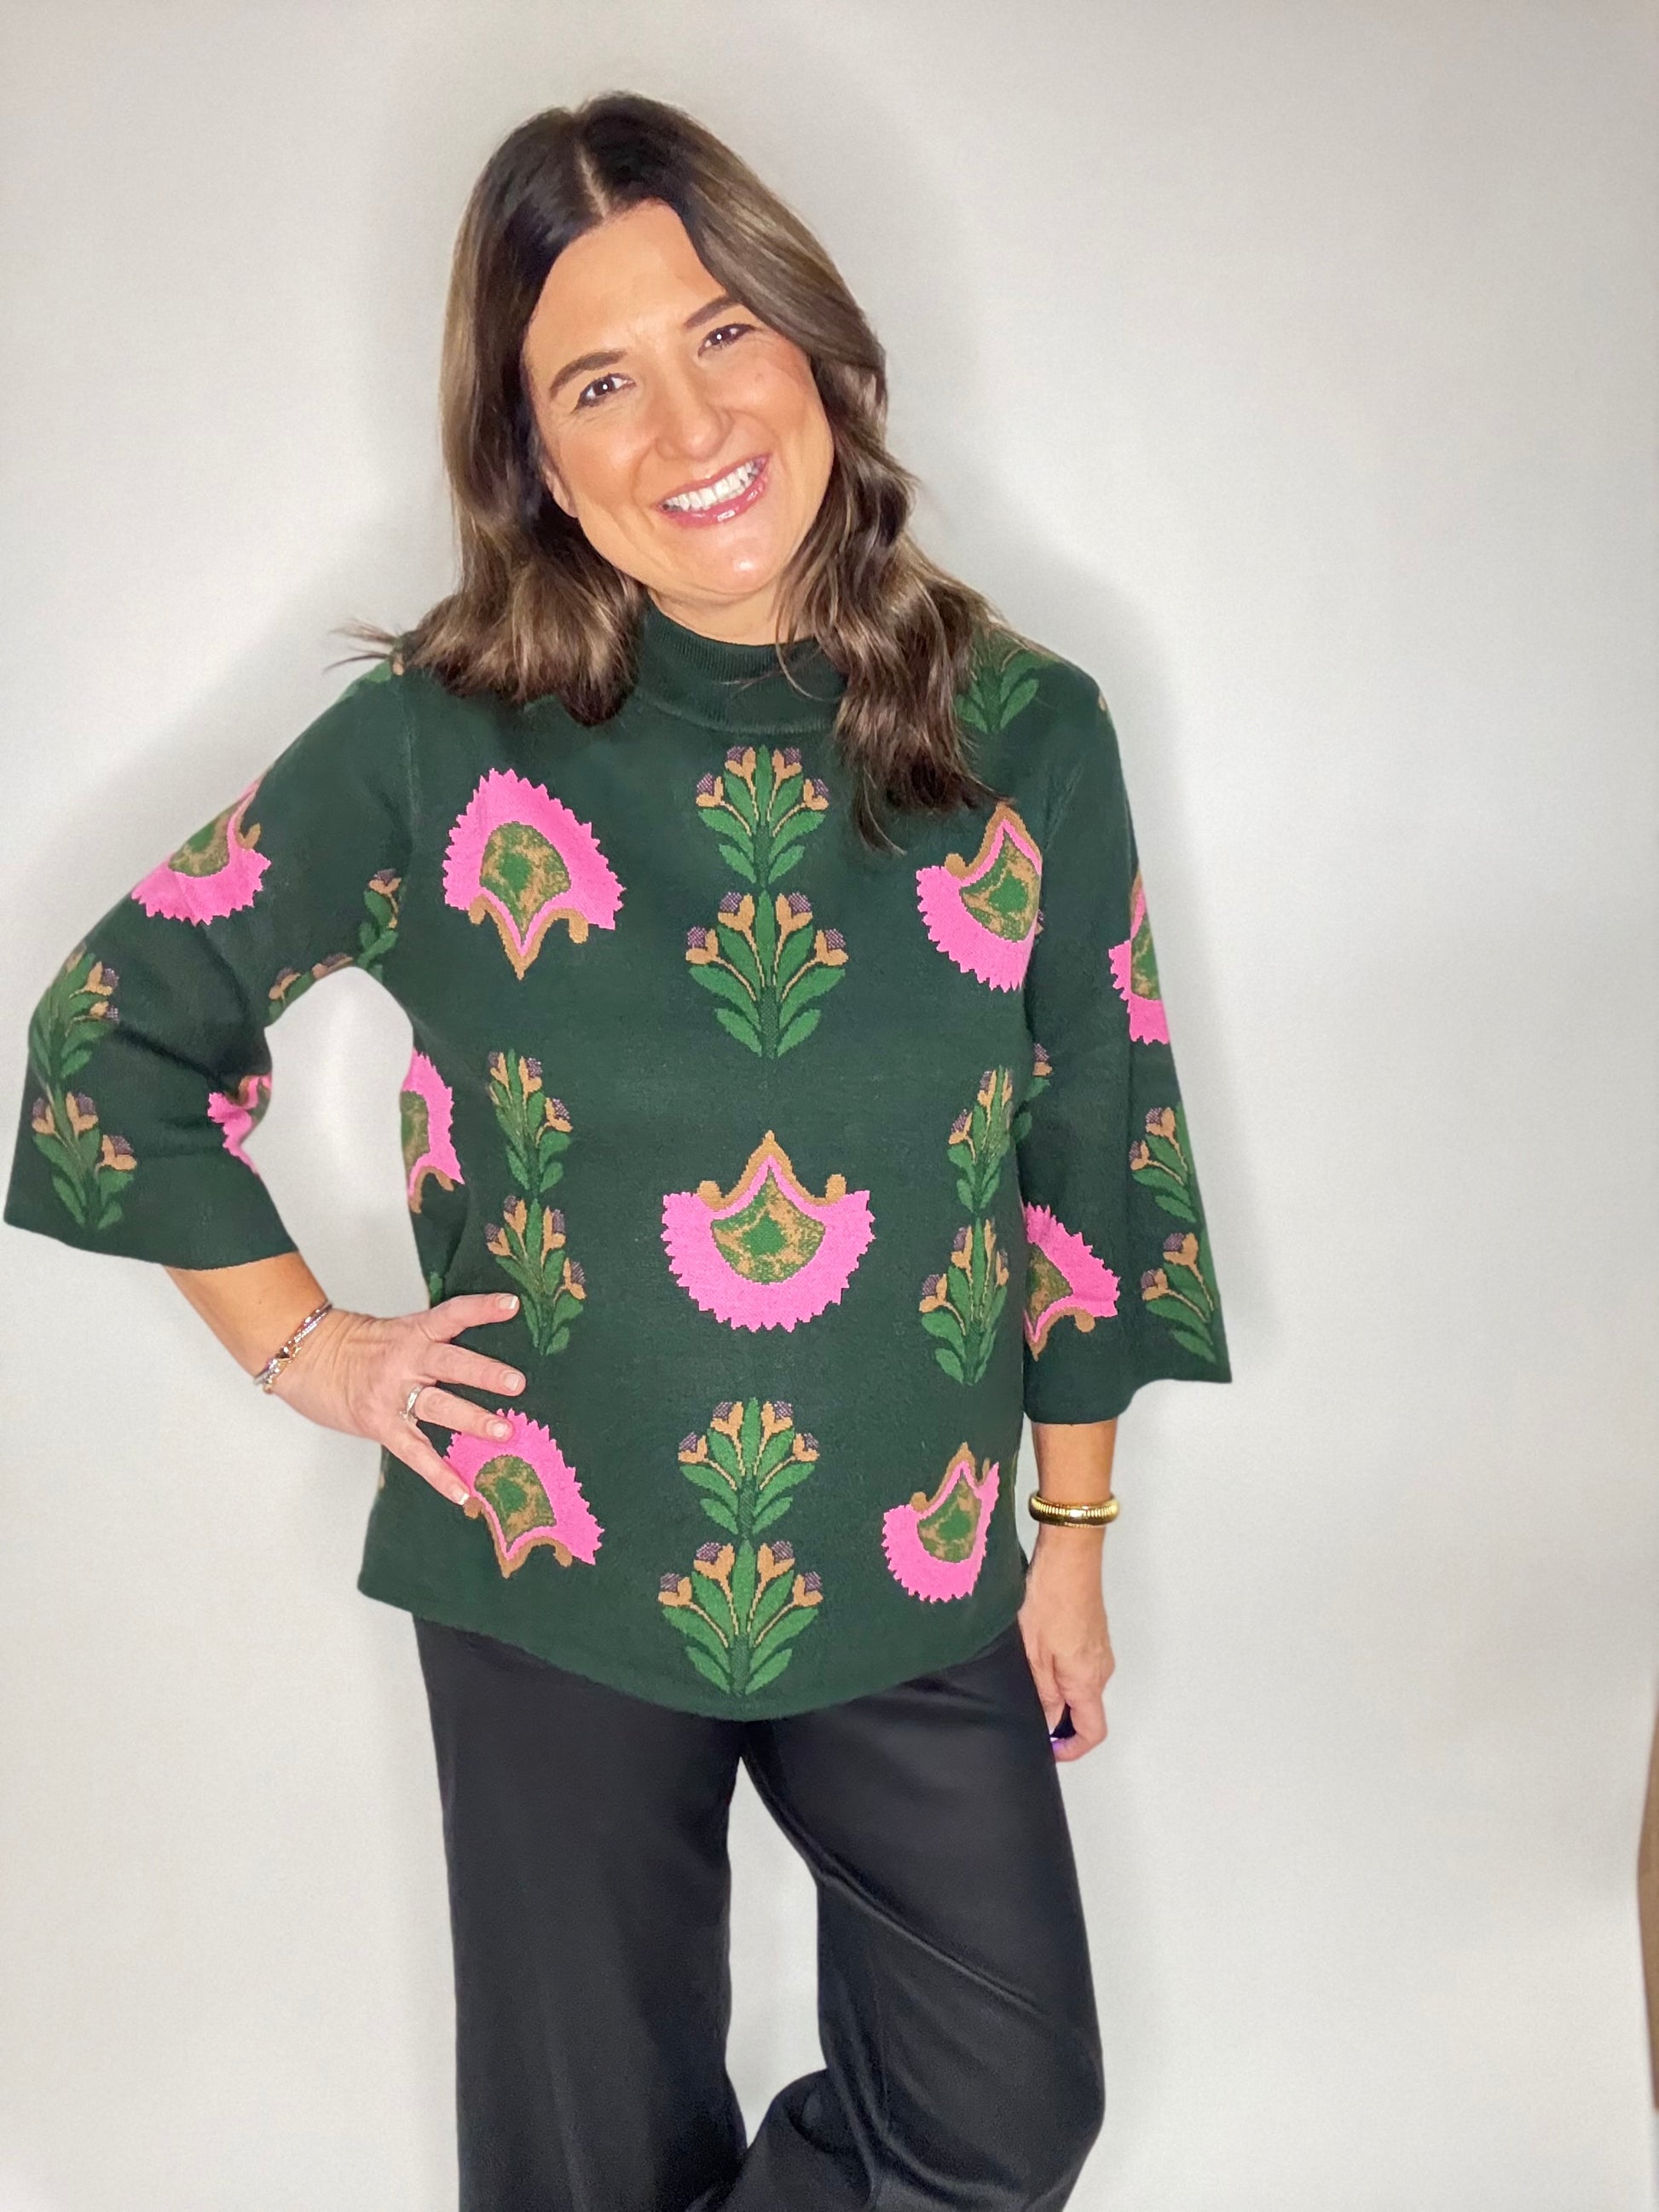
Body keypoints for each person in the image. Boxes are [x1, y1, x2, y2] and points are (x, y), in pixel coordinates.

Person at [5, 91, 1232, 2212]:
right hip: (545, 1555)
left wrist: (1070, 1531)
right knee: (580, 2165)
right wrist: (316, 1351)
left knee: (1003, 2112)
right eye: (598, 381)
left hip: (920, 1555)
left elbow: (1090, 1151)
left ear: (815, 345)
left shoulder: (1028, 735)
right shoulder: (435, 745)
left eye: (722, 332)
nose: (688, 426)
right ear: (533, 456)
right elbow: (107, 1041)